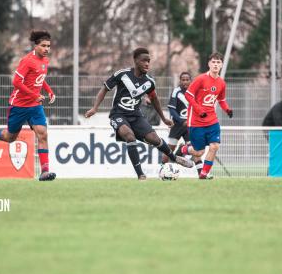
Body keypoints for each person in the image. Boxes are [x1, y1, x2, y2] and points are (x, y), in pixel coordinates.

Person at [84, 47, 194, 180]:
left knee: (155, 139)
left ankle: (174, 158)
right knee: (129, 136)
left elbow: (154, 99)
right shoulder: (122, 74)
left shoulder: (149, 82)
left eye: (149, 61)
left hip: (136, 115)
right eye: (144, 61)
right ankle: (141, 174)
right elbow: (104, 89)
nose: (147, 63)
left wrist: (164, 118)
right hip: (118, 114)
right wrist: (95, 108)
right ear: (136, 61)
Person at [0, 30, 56, 181]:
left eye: (48, 46)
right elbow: (16, 82)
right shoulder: (27, 61)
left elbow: (40, 78)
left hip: (35, 106)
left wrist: (49, 91)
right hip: (19, 105)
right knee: (10, 137)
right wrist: (35, 95)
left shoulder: (45, 61)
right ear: (36, 46)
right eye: (43, 46)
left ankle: (45, 171)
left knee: (43, 134)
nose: (46, 49)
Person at [176, 52, 233, 180]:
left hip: (212, 120)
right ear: (209, 64)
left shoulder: (222, 83)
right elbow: (188, 95)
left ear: (222, 65)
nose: (216, 64)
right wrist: (199, 109)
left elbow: (221, 100)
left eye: (218, 62)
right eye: (213, 62)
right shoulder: (201, 79)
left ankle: (203, 175)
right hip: (196, 121)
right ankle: (184, 149)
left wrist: (227, 109)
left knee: (215, 146)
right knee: (199, 152)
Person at [162, 72, 204, 176]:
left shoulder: (195, 92)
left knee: (194, 149)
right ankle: (162, 170)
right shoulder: (176, 92)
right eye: (183, 80)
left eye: (187, 79)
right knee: (169, 150)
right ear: (180, 81)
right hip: (177, 126)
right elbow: (171, 109)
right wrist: (181, 121)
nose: (185, 82)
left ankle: (202, 174)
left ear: (191, 80)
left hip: (190, 126)